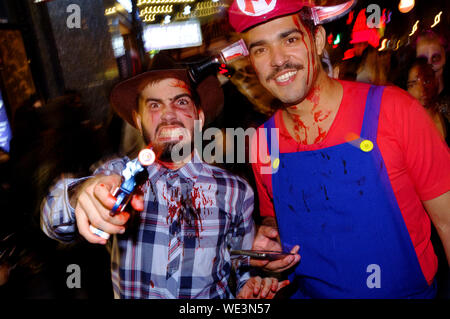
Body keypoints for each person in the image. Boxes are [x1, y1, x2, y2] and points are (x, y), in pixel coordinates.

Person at [228, 0, 450, 298]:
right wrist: (270, 246)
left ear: (317, 40)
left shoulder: (395, 110)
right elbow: (275, 221)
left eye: (290, 39)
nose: (277, 60)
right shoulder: (261, 142)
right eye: (260, 49)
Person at [40, 55, 288, 299]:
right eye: (155, 105)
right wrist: (78, 195)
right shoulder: (118, 175)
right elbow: (53, 221)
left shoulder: (236, 191)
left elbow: (240, 263)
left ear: (199, 118)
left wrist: (249, 286)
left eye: (181, 102)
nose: (169, 115)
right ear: (138, 121)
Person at [407, 58, 446, 140]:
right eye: (413, 84)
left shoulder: (445, 113)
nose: (421, 89)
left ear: (435, 82)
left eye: (426, 81)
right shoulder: (405, 125)